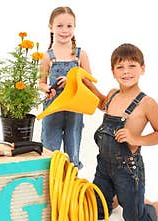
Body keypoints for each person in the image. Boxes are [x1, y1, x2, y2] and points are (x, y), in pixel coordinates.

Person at [88, 43, 158, 221]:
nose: (126, 72)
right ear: (113, 72)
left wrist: (136, 139)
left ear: (142, 68)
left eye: (132, 66)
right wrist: (85, 83)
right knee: (96, 211)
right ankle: (116, 196)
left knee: (136, 220)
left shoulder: (147, 103)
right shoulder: (112, 94)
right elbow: (101, 104)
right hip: (103, 166)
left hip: (128, 169)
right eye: (120, 67)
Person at [37, 6, 98, 169]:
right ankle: (51, 187)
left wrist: (71, 80)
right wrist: (47, 88)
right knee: (50, 150)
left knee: (73, 150)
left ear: (74, 27)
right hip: (53, 108)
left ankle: (71, 188)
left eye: (69, 26)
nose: (65, 30)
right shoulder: (47, 56)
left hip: (74, 108)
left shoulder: (80, 55)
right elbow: (41, 83)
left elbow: (89, 81)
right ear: (51, 27)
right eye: (59, 26)